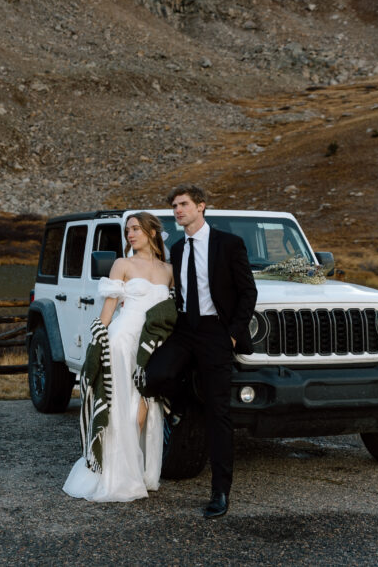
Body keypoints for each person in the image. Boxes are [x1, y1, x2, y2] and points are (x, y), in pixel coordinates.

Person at [143, 185, 258, 519]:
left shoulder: (229, 244)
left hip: (216, 333)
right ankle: (182, 404)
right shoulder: (177, 249)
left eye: (184, 205)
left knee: (219, 413)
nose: (178, 210)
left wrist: (233, 336)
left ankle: (220, 492)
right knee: (155, 375)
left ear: (201, 207)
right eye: (175, 206)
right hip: (184, 329)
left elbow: (247, 293)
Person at [63, 211, 174, 502]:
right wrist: (96, 342)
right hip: (122, 340)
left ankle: (138, 470)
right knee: (120, 404)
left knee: (145, 406)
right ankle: (116, 474)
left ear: (152, 232)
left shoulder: (168, 270)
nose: (130, 234)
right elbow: (109, 310)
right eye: (128, 230)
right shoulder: (122, 264)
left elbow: (169, 313)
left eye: (136, 228)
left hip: (151, 345)